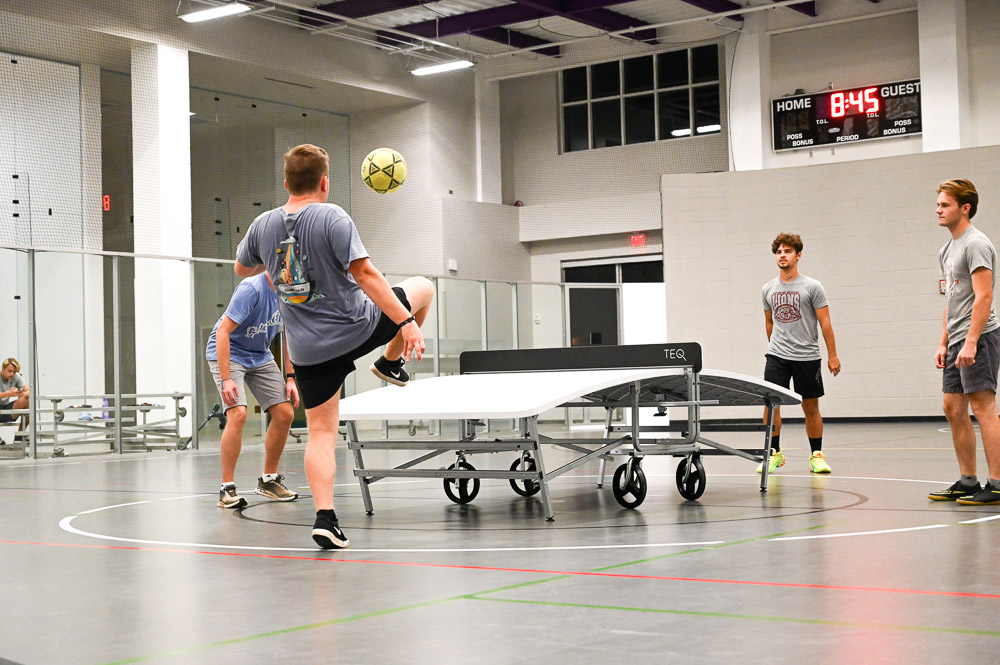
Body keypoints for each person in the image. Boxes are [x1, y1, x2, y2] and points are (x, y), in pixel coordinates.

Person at [235, 144, 434, 549]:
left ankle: (325, 517)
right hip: (357, 328)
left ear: (286, 182)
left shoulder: (263, 225)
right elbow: (366, 274)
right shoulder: (332, 216)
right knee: (424, 287)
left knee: (322, 434)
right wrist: (407, 322)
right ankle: (390, 362)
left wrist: (278, 267)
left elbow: (243, 267)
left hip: (309, 350)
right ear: (324, 182)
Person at [929, 179, 1000, 505]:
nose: (938, 210)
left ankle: (997, 484)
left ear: (964, 207)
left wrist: (971, 342)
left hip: (980, 336)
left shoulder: (976, 244)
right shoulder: (947, 248)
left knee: (983, 407)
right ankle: (968, 480)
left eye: (945, 205)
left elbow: (984, 297)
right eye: (939, 204)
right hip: (957, 338)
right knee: (952, 407)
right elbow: (952, 298)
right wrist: (944, 341)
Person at [207, 271, 300, 509]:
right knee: (237, 413)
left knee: (285, 413)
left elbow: (290, 335)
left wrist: (290, 377)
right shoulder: (252, 289)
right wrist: (226, 378)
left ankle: (269, 481)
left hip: (260, 355)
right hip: (230, 352)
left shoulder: (291, 291)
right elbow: (223, 332)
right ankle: (226, 489)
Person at [759, 233, 841, 475]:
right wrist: (775, 346)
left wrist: (832, 355)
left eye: (787, 251)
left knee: (810, 406)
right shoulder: (768, 289)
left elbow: (825, 323)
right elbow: (769, 322)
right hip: (777, 356)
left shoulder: (812, 287)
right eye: (779, 252)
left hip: (807, 356)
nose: (782, 255)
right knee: (770, 404)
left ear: (798, 255)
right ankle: (773, 453)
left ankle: (816, 455)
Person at [0, 357, 30, 443]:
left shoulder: (15, 376)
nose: (12, 374)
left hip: (5, 409)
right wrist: (8, 394)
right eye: (10, 371)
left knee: (28, 400)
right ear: (3, 368)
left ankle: (20, 435)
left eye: (14, 372)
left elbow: (29, 391)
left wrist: (23, 394)